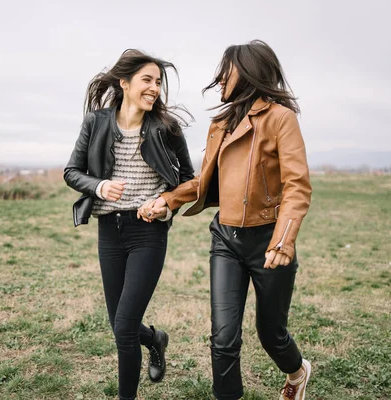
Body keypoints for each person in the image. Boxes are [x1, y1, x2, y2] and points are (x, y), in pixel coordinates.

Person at [140, 40, 312, 400]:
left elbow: (297, 186)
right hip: (226, 241)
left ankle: (297, 372)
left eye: (226, 72)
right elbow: (204, 180)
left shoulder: (281, 118)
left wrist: (284, 240)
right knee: (223, 338)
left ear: (248, 72)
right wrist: (167, 200)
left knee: (272, 335)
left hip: (269, 243)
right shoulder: (220, 123)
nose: (219, 79)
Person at [63, 49, 194, 400]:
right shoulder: (97, 122)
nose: (154, 88)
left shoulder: (166, 128)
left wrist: (164, 205)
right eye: (147, 80)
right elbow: (71, 172)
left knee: (123, 327)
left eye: (158, 82)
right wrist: (99, 186)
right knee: (121, 325)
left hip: (147, 232)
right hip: (109, 231)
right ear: (125, 83)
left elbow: (189, 181)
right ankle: (155, 339)